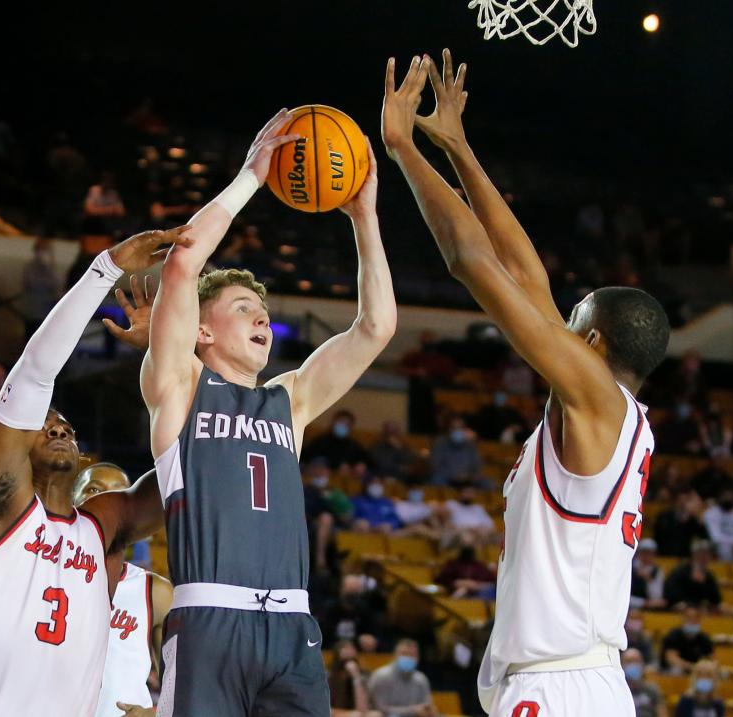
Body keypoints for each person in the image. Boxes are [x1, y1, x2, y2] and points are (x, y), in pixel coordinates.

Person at [381, 50, 668, 716]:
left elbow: (472, 262)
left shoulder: (596, 399)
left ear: (593, 344)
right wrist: (457, 147)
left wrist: (403, 150)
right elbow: (522, 270)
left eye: (574, 317)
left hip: (560, 686)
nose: (555, 318)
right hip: (575, 681)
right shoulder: (609, 409)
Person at [137, 109, 394, 716]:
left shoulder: (290, 400)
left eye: (263, 311)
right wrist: (253, 176)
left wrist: (365, 217)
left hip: (292, 628)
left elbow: (376, 326)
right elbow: (181, 262)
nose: (261, 318)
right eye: (244, 307)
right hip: (210, 620)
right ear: (201, 330)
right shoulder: (179, 386)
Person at [0, 227, 184, 717]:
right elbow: (33, 374)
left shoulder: (101, 526)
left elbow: (187, 466)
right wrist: (104, 270)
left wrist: (169, 359)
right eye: (43, 424)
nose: (58, 428)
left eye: (65, 425)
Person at [72, 463, 173, 717]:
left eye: (120, 493)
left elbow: (184, 687)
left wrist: (152, 714)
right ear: (71, 502)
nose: (108, 500)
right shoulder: (42, 572)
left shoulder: (155, 591)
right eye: (94, 489)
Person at [367, 639, 437, 717]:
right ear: (395, 655)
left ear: (417, 658)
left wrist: (429, 710)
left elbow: (427, 707)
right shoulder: (381, 676)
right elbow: (380, 709)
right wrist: (414, 710)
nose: (408, 657)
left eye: (412, 655)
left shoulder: (421, 679)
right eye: (404, 654)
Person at [302, 410, 372, 471]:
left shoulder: (353, 445)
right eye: (341, 422)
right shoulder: (321, 441)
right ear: (333, 422)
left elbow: (366, 460)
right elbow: (308, 458)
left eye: (346, 424)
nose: (342, 426)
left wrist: (360, 465)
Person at [664, 540, 722, 609]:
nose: (705, 557)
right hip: (681, 610)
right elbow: (671, 593)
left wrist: (703, 584)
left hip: (701, 611)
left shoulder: (709, 576)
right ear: (694, 555)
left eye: (708, 554)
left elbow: (716, 599)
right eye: (702, 554)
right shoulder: (680, 571)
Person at [22, 239, 61, 337]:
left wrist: (50, 267)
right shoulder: (29, 268)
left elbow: (57, 285)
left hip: (48, 315)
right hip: (33, 314)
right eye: (41, 250)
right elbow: (31, 283)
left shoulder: (53, 269)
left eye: (47, 250)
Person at [430, 417, 484, 486]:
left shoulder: (470, 446)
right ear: (449, 429)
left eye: (460, 428)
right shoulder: (440, 444)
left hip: (467, 479)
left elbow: (477, 466)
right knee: (437, 479)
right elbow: (436, 466)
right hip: (446, 478)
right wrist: (454, 475)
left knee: (486, 483)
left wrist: (469, 476)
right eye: (454, 428)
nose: (457, 430)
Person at [328, 640, 376, 716]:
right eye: (345, 649)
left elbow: (362, 708)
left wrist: (356, 677)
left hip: (357, 712)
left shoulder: (364, 675)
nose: (349, 651)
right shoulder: (329, 676)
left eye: (351, 648)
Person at [661, 607, 715, 673]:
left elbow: (711, 659)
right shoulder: (674, 635)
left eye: (696, 618)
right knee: (676, 670)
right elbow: (671, 659)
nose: (692, 620)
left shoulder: (704, 638)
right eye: (689, 618)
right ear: (683, 618)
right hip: (678, 669)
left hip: (698, 671)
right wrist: (692, 667)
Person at [655, 492, 709, 558]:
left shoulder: (692, 520)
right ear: (675, 501)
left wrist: (698, 520)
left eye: (685, 501)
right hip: (664, 554)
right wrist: (680, 523)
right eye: (680, 501)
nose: (682, 504)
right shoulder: (664, 516)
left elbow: (704, 537)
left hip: (684, 557)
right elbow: (659, 536)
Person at [621, 647, 667, 717]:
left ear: (642, 664)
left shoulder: (652, 690)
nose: (633, 664)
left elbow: (662, 714)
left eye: (636, 661)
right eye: (629, 661)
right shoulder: (618, 690)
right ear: (621, 665)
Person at [631, 538, 667, 609]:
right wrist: (644, 603)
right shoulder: (630, 569)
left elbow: (656, 597)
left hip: (647, 608)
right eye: (644, 553)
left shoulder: (656, 571)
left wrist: (649, 580)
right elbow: (624, 597)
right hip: (630, 607)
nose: (646, 556)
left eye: (650, 553)